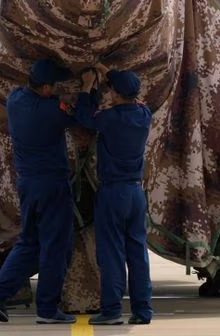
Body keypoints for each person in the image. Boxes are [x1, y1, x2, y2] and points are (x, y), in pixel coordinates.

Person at [0, 59, 78, 325]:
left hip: (27, 184)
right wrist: (87, 91)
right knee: (54, 247)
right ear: (46, 87)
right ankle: (47, 309)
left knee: (28, 242)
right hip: (52, 185)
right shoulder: (52, 110)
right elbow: (80, 118)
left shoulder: (15, 100)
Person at [75, 68, 153, 326]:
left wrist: (87, 87)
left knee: (112, 252)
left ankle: (111, 311)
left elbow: (84, 118)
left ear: (116, 94)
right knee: (137, 252)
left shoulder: (109, 118)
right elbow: (137, 102)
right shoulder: (143, 115)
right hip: (136, 192)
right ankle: (142, 310)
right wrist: (113, 78)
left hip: (113, 192)